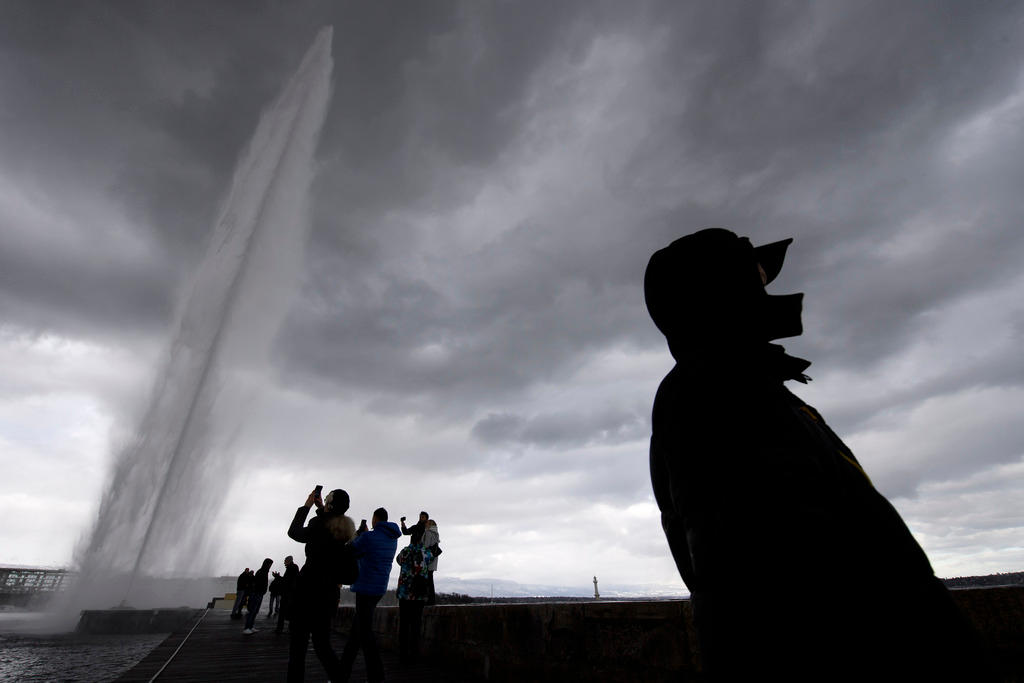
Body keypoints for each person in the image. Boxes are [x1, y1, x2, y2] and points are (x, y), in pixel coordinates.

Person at [644, 228, 992, 680]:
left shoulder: (748, 387)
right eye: (757, 280)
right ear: (721, 296)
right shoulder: (716, 393)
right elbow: (767, 581)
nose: (769, 290)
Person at [286, 488, 356, 682]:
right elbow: (328, 525)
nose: (324, 500)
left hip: (307, 592)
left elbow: (294, 532)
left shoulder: (319, 525)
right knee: (323, 646)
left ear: (331, 505)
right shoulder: (344, 531)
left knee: (298, 648)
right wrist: (322, 509)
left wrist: (307, 506)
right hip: (327, 596)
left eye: (327, 499)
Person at [338, 507, 401, 683]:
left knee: (364, 634)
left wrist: (359, 535)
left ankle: (376, 676)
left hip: (365, 587)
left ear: (375, 519)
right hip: (379, 588)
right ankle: (342, 673)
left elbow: (351, 551)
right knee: (356, 633)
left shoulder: (368, 537)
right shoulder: (392, 539)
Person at [395, 539, 433, 664]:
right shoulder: (426, 552)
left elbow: (398, 560)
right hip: (419, 595)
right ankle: (414, 654)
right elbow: (430, 560)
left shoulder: (405, 551)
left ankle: (403, 655)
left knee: (404, 625)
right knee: (416, 625)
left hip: (405, 594)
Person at [243, 558, 273, 634]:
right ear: (266, 564)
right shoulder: (261, 572)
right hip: (256, 594)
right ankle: (246, 628)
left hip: (260, 594)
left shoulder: (264, 571)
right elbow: (256, 583)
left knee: (255, 611)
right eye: (270, 564)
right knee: (252, 611)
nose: (270, 566)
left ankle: (251, 627)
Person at [275, 555, 298, 635]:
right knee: (288, 612)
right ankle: (287, 628)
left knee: (284, 612)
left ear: (289, 561)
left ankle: (281, 629)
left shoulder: (291, 568)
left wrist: (278, 577)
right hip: (289, 594)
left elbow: (287, 581)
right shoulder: (293, 568)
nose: (284, 562)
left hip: (288, 594)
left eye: (285, 561)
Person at [420, 519, 441, 605]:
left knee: (426, 581)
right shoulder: (436, 533)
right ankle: (431, 600)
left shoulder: (428, 532)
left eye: (427, 523)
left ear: (430, 524)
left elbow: (425, 546)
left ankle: (428, 600)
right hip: (433, 560)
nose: (425, 524)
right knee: (430, 580)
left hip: (427, 560)